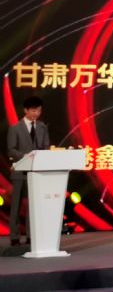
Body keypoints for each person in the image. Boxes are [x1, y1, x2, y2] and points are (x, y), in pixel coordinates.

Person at [7, 96, 50, 247]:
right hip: (20, 172)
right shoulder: (15, 128)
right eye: (33, 110)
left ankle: (32, 236)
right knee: (16, 205)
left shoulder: (42, 127)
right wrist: (25, 156)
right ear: (25, 110)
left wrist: (40, 156)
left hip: (36, 172)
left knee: (33, 206)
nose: (36, 113)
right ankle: (14, 236)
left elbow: (46, 146)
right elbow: (11, 149)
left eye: (39, 111)